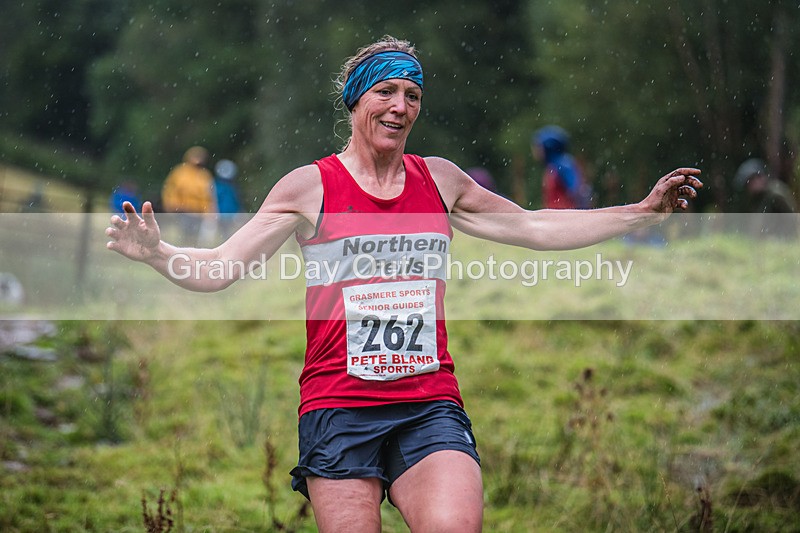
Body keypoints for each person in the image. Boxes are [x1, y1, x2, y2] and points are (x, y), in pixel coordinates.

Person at [106, 35, 701, 533]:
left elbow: (536, 225)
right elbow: (220, 269)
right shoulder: (307, 189)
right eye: (385, 91)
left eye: (412, 95)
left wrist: (641, 212)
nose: (400, 106)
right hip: (339, 408)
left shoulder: (440, 182)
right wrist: (159, 254)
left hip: (427, 406)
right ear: (355, 100)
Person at [161, 146, 217, 246]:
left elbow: (210, 195)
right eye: (195, 156)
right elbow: (170, 190)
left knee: (196, 238)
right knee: (185, 235)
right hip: (183, 210)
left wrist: (210, 210)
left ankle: (191, 255)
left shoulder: (205, 175)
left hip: (199, 213)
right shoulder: (180, 173)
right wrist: (171, 205)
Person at [734, 157, 797, 239]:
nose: (750, 187)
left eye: (750, 182)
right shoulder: (758, 198)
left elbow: (792, 221)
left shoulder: (775, 194)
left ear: (759, 177)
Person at [532, 125, 592, 209]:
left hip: (566, 218)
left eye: (538, 147)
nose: (535, 151)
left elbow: (578, 192)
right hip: (559, 218)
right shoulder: (555, 166)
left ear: (548, 146)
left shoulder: (563, 164)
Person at [213, 159, 243, 240]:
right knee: (224, 232)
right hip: (222, 214)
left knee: (230, 233)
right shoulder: (217, 186)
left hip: (231, 214)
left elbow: (236, 201)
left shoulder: (232, 187)